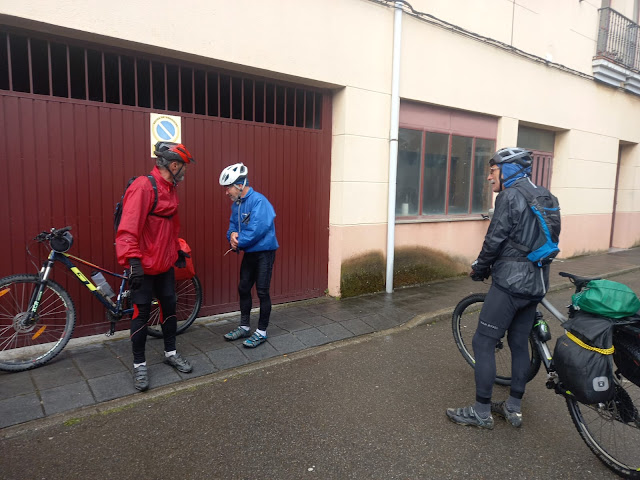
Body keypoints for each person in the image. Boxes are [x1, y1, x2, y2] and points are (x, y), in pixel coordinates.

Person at [446, 147, 559, 429]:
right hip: (536, 283)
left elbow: (494, 239)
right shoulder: (545, 196)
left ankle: (481, 412)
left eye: (493, 170)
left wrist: (480, 268)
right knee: (519, 343)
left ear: (508, 170)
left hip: (510, 283)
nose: (489, 177)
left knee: (483, 342)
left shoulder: (509, 197)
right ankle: (513, 407)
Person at [116, 141, 195, 391]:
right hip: (143, 266)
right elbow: (128, 228)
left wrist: (177, 249)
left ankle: (170, 353)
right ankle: (139, 365)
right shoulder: (143, 186)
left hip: (165, 264)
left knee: (169, 307)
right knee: (141, 315)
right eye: (184, 166)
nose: (185, 171)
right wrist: (133, 261)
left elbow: (171, 226)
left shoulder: (171, 189)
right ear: (174, 165)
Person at [219, 163, 279, 348]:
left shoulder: (259, 201)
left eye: (228, 187)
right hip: (250, 253)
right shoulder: (237, 204)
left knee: (262, 291)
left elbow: (257, 230)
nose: (226, 192)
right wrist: (231, 236)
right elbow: (232, 226)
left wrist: (238, 241)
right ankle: (244, 327)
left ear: (239, 185)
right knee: (244, 288)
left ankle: (261, 332)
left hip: (264, 253)